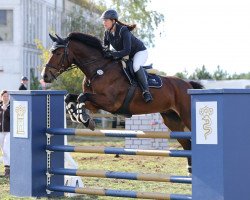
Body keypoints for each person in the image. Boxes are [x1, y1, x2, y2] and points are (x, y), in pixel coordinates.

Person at [100, 9, 153, 103]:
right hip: (126, 54)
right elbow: (105, 49)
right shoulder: (107, 33)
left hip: (139, 52)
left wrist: (112, 54)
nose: (104, 23)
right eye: (103, 20)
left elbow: (127, 50)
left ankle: (146, 91)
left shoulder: (123, 30)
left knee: (135, 66)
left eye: (106, 20)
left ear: (113, 21)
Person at [0, 90, 10, 178]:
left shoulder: (11, 106)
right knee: (3, 150)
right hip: (1, 131)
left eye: (7, 96)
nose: (5, 97)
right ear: (1, 97)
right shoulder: (0, 106)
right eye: (4, 96)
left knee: (7, 148)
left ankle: (8, 168)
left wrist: (6, 110)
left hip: (8, 131)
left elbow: (12, 117)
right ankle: (6, 168)